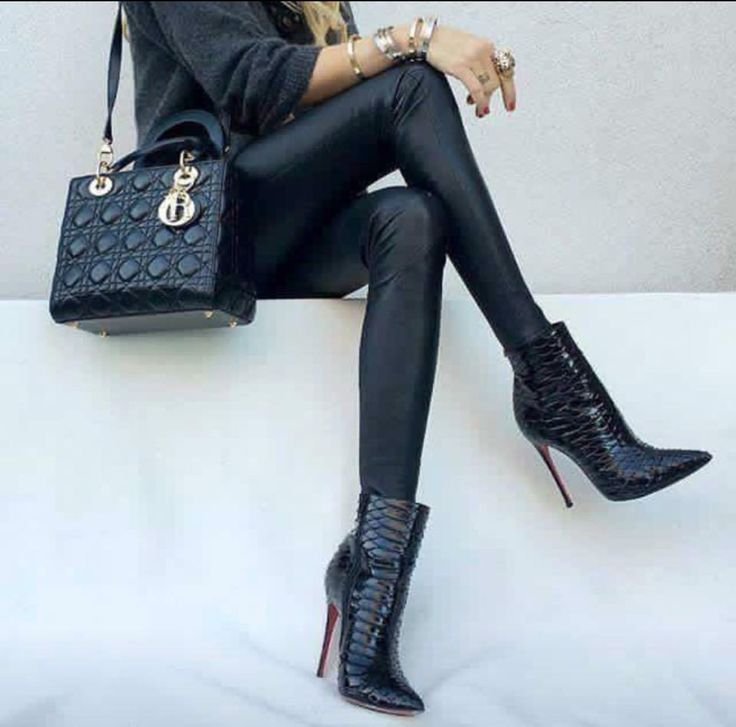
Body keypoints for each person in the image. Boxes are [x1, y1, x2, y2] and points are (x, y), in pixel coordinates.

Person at [121, 2, 713, 716]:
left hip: (286, 231)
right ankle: (555, 389)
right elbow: (251, 84)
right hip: (206, 235)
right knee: (412, 84)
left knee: (411, 217)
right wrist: (418, 40)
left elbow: (325, 118)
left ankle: (370, 581)